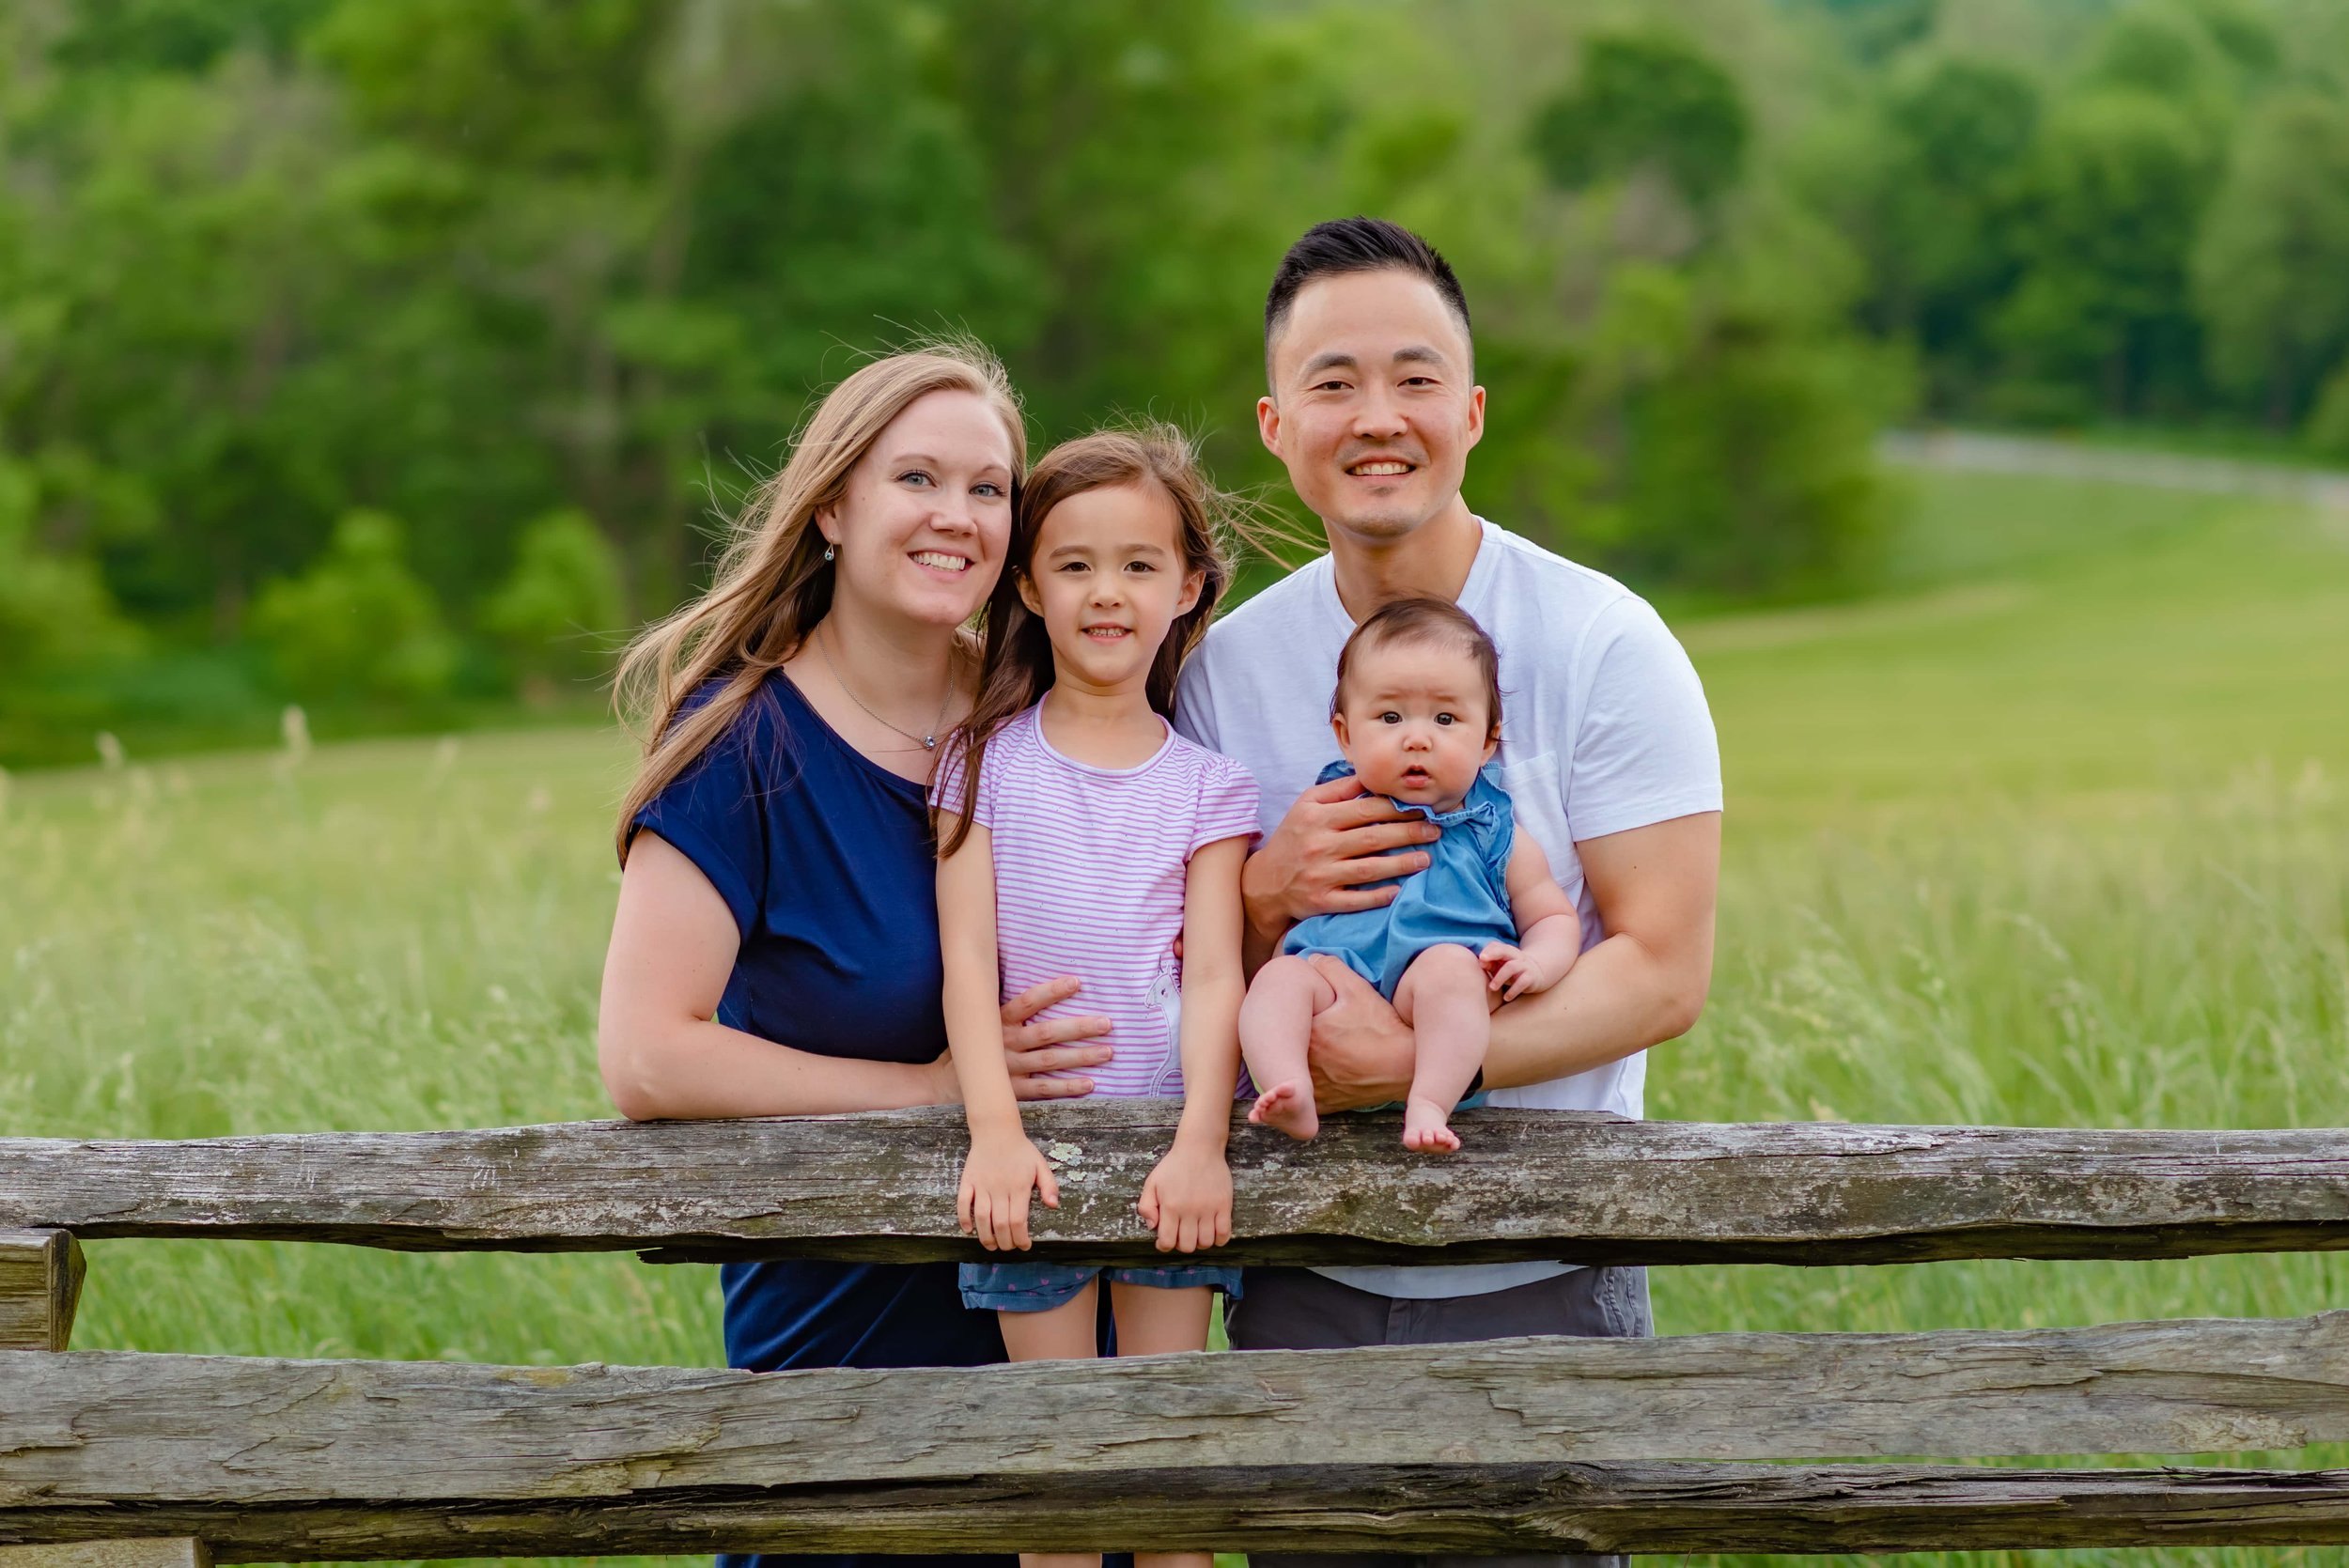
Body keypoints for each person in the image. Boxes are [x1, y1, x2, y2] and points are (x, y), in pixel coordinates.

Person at [1174, 217, 1721, 1568]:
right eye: (1335, 382)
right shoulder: (1220, 671)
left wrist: (1419, 1066)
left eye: (1416, 378)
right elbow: (1171, 957)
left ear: (1470, 413)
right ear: (1275, 423)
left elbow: (1659, 971)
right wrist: (1259, 897)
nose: (1379, 418)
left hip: (1543, 1267)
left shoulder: (1603, 641)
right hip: (1303, 1273)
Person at [596, 345, 1116, 1568]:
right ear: (832, 505)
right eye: (918, 478)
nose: (958, 516)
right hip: (842, 1392)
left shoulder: (1038, 718)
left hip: (1072, 1393)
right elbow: (647, 1054)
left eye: (989, 489)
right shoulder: (742, 742)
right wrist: (933, 1095)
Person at [932, 424, 1256, 1568]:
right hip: (1037, 1172)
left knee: (1170, 1493)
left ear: (1188, 585)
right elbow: (967, 961)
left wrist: (1202, 1143)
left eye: (1136, 565)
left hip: (1172, 1163)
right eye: (1073, 565)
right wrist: (994, 1135)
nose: (1104, 593)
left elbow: (1216, 973)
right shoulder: (978, 762)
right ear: (1027, 583)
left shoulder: (1212, 788)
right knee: (1059, 1505)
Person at [1242, 598, 1580, 1151]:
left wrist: (1535, 962)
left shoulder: (1493, 830)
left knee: (1450, 970)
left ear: (1488, 740)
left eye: (1446, 719)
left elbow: (1551, 914)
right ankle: (1291, 1085)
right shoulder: (1328, 815)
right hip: (1336, 980)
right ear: (1346, 735)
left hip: (1425, 991)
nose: (1417, 738)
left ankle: (1429, 1101)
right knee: (1278, 981)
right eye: (1390, 718)